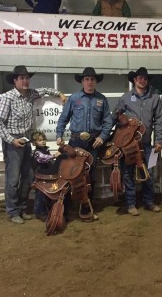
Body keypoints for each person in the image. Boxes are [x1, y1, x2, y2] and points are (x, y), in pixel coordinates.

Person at [0, 65, 66, 224]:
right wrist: (12, 140)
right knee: (13, 179)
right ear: (15, 81)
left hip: (26, 142)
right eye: (22, 78)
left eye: (27, 78)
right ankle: (13, 211)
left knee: (28, 177)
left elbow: (45, 89)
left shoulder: (31, 94)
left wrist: (59, 93)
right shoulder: (8, 97)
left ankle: (21, 208)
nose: (25, 81)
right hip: (13, 142)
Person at [56, 67, 113, 216]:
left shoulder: (102, 99)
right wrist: (59, 135)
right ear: (82, 81)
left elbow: (108, 121)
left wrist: (102, 137)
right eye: (86, 79)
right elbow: (63, 118)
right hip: (75, 141)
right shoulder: (74, 98)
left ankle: (88, 206)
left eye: (92, 79)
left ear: (95, 81)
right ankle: (66, 208)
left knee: (90, 174)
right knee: (70, 173)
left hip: (93, 142)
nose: (89, 82)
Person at [113, 67, 162, 216]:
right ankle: (130, 204)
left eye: (145, 78)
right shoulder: (125, 97)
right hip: (129, 145)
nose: (142, 80)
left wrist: (159, 140)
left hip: (147, 143)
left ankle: (149, 201)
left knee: (150, 172)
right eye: (140, 78)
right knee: (128, 173)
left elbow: (158, 121)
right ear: (134, 80)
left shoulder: (155, 98)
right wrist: (121, 119)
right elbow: (115, 114)